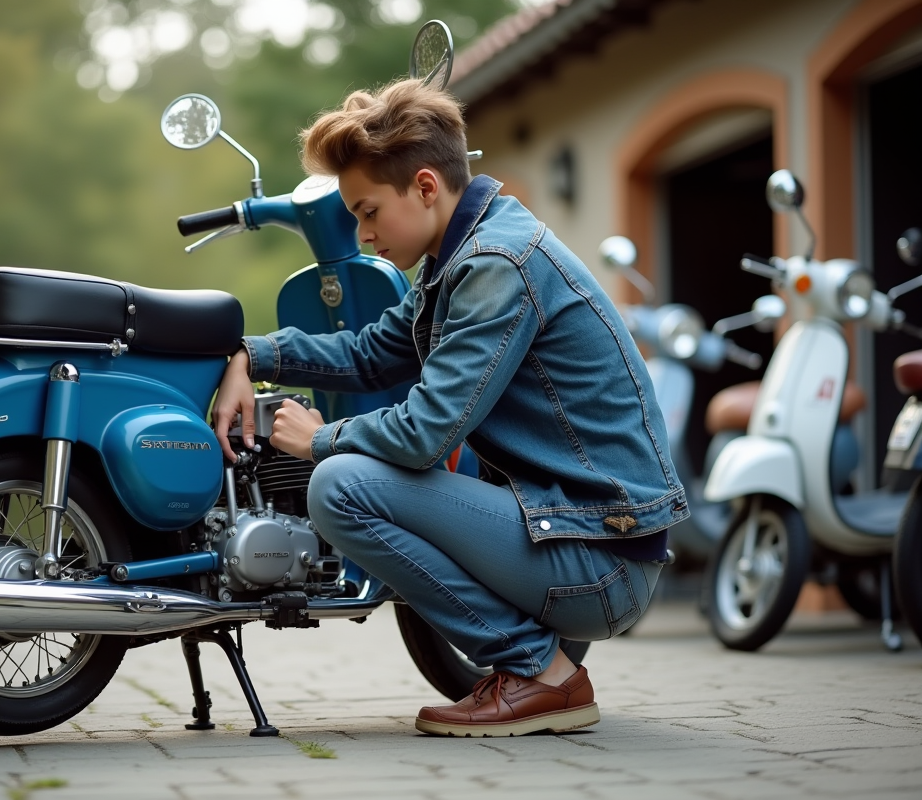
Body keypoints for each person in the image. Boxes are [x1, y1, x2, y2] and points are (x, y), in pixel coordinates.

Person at [211, 79, 687, 738]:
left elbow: (426, 431)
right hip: (570, 531)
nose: (364, 234)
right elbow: (371, 356)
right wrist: (251, 354)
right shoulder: (460, 255)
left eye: (369, 212)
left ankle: (540, 673)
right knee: (353, 476)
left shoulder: (496, 262)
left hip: (600, 560)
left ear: (426, 187)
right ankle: (537, 670)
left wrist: (320, 439)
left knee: (341, 485)